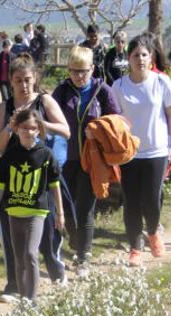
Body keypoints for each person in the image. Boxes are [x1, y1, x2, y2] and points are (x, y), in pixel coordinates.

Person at [0, 54, 71, 301]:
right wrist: (12, 126)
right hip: (12, 180)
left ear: (35, 79)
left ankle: (57, 270)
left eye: (27, 80)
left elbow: (66, 131)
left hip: (40, 178)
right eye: (18, 80)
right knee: (12, 236)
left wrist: (41, 124)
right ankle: (14, 284)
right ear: (11, 82)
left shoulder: (44, 101)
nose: (23, 85)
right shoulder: (5, 107)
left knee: (45, 233)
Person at [111, 33, 171, 266]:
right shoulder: (118, 86)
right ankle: (135, 247)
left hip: (157, 151)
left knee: (151, 199)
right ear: (128, 59)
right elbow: (114, 118)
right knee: (130, 200)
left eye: (144, 54)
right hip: (129, 153)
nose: (140, 59)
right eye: (135, 55)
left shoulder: (161, 82)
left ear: (150, 57)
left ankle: (152, 233)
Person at [52, 46, 121, 275]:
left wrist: (98, 130)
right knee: (68, 209)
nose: (79, 76)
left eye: (83, 71)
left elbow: (118, 123)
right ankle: (75, 241)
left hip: (93, 161)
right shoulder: (61, 91)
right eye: (74, 71)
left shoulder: (103, 91)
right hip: (65, 159)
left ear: (92, 68)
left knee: (85, 208)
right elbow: (49, 119)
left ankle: (84, 257)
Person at [0, 109, 65, 300]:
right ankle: (23, 299)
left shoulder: (46, 155)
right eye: (24, 128)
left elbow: (55, 186)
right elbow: (0, 187)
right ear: (16, 129)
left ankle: (32, 300)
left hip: (36, 211)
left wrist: (60, 214)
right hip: (13, 212)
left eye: (32, 128)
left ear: (39, 130)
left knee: (31, 254)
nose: (28, 132)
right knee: (19, 258)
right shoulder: (9, 156)